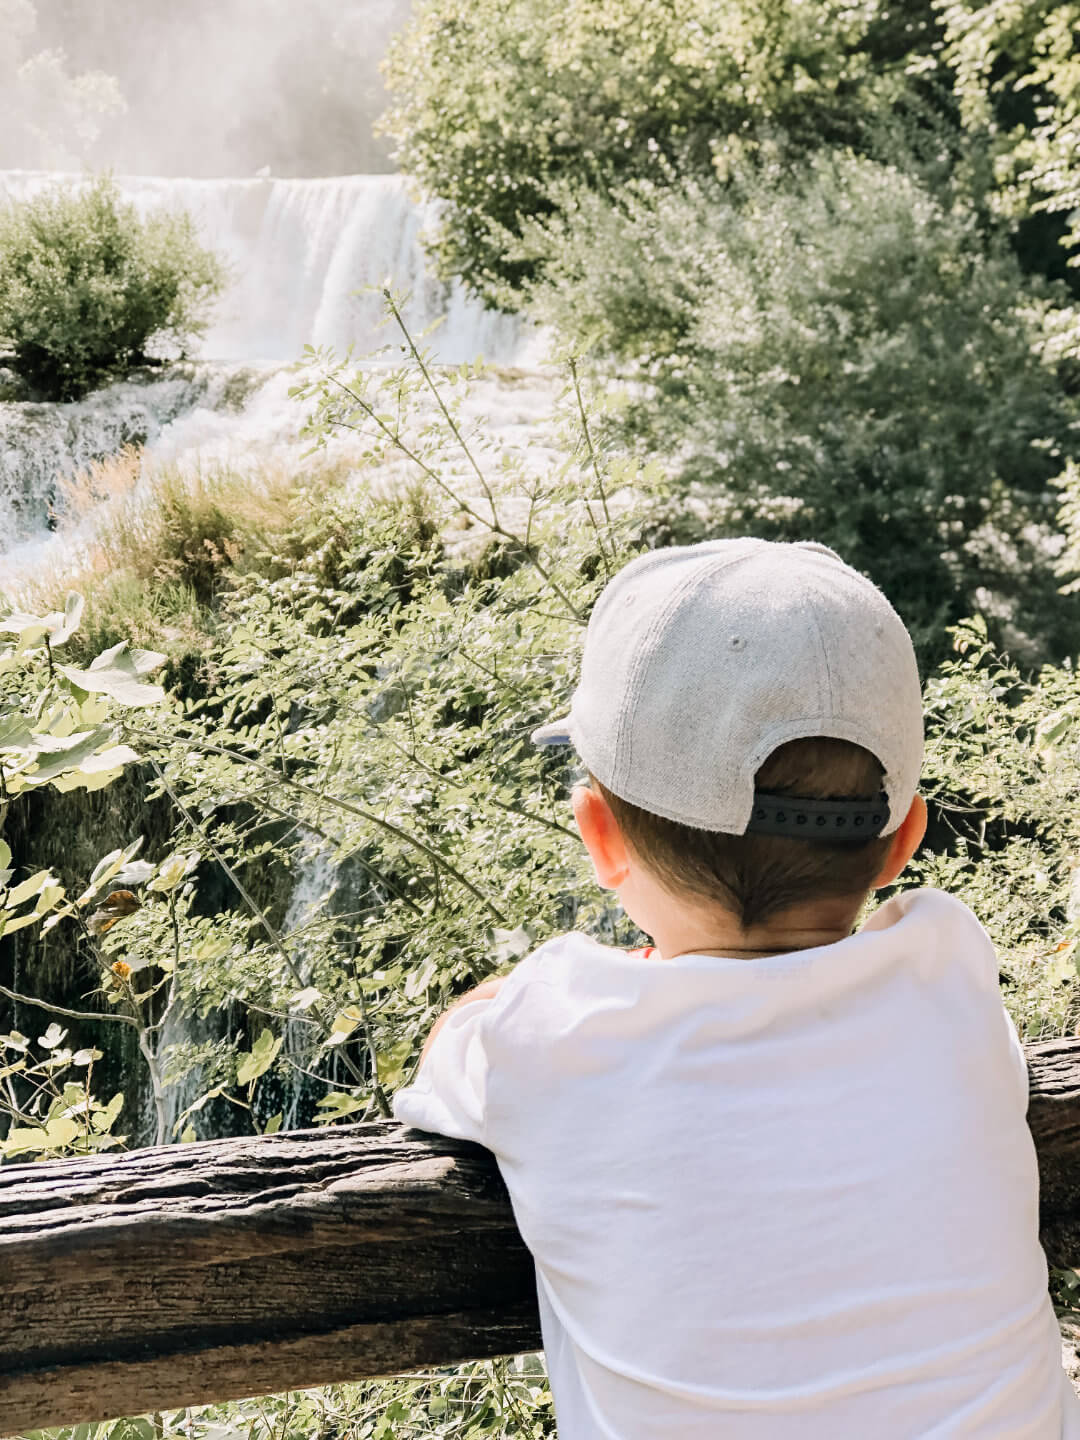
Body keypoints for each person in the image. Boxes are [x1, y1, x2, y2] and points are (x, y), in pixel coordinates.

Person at [392, 538, 1080, 1437]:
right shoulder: (949, 971)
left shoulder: (553, 1035)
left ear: (599, 835)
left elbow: (442, 1055)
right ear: (904, 839)